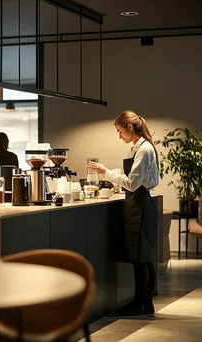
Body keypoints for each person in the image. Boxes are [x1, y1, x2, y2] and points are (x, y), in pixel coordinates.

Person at [88, 110, 159, 316]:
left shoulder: (143, 150)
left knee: (140, 257)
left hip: (140, 205)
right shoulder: (139, 148)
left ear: (129, 128)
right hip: (139, 203)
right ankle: (145, 303)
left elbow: (132, 183)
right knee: (143, 257)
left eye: (120, 131)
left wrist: (106, 172)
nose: (119, 136)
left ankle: (140, 303)